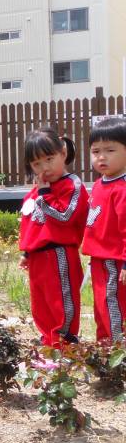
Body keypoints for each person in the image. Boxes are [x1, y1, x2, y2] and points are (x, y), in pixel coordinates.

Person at [19, 128, 88, 347]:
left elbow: (65, 216)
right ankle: (48, 342)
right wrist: (27, 251)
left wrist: (45, 195)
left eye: (49, 159)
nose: (44, 168)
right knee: (40, 302)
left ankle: (65, 342)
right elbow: (31, 223)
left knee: (61, 300)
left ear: (63, 153)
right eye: (37, 164)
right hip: (38, 257)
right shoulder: (38, 190)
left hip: (60, 253)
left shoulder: (72, 185)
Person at [82, 117, 126, 342]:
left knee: (112, 307)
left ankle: (117, 355)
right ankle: (103, 350)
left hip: (114, 260)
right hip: (98, 259)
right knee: (100, 307)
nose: (101, 156)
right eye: (95, 151)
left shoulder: (122, 188)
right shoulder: (100, 184)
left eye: (110, 150)